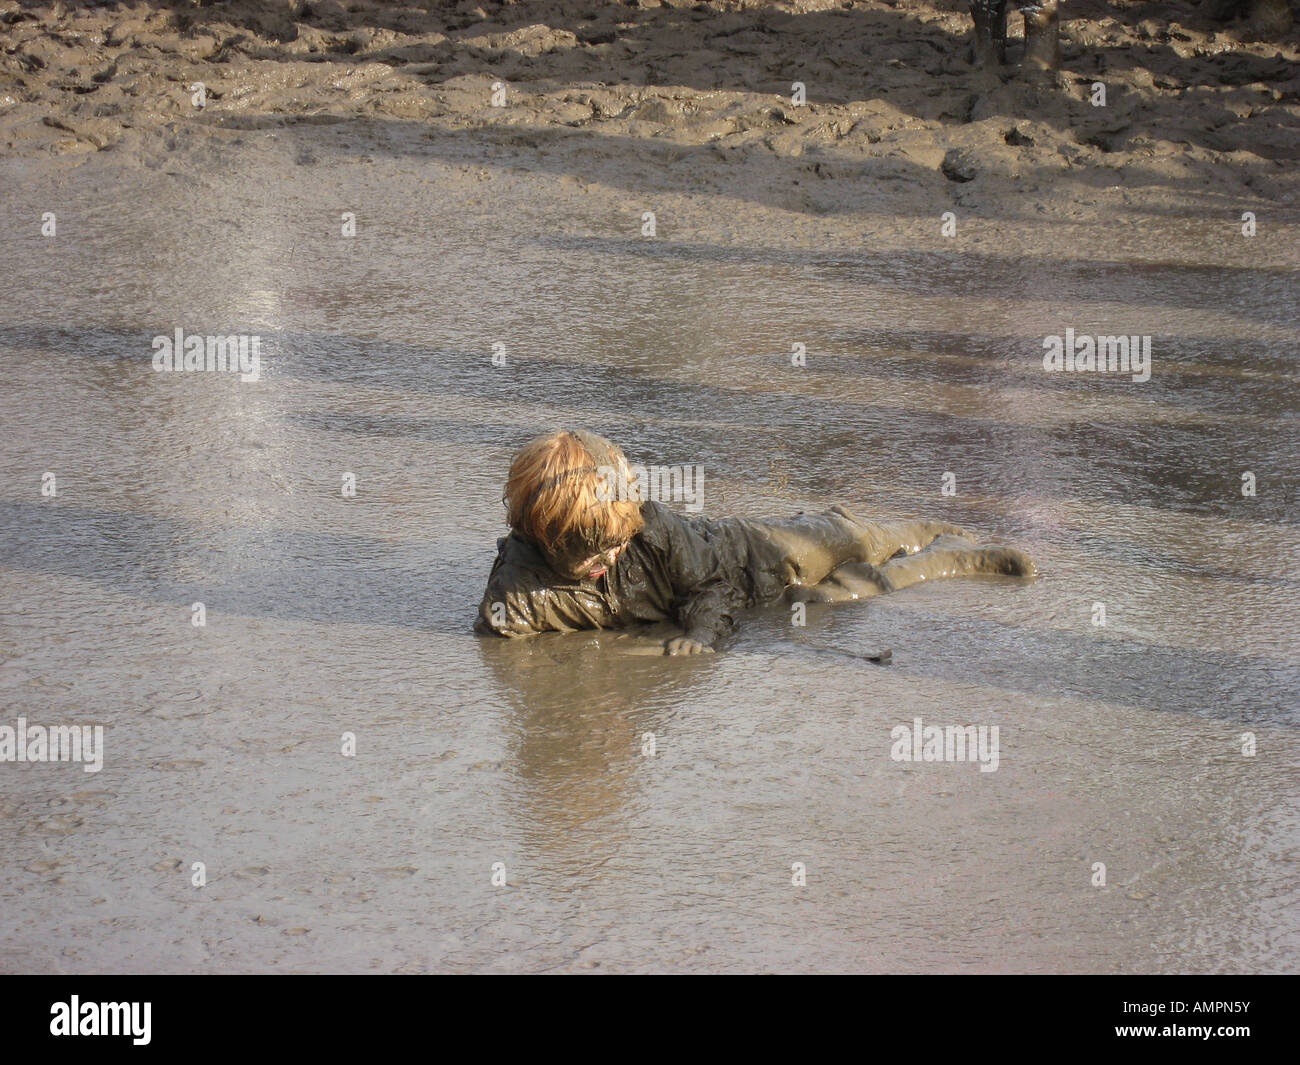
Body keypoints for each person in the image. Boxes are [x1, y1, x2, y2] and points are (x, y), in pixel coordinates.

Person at [475, 430, 1036, 655]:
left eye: (616, 542)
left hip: (749, 553)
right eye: (587, 553)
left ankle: (919, 533)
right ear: (540, 536)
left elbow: (712, 587)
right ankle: (950, 561)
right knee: (852, 594)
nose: (609, 559)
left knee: (848, 537)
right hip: (765, 599)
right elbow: (502, 633)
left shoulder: (654, 526)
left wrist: (702, 634)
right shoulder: (524, 590)